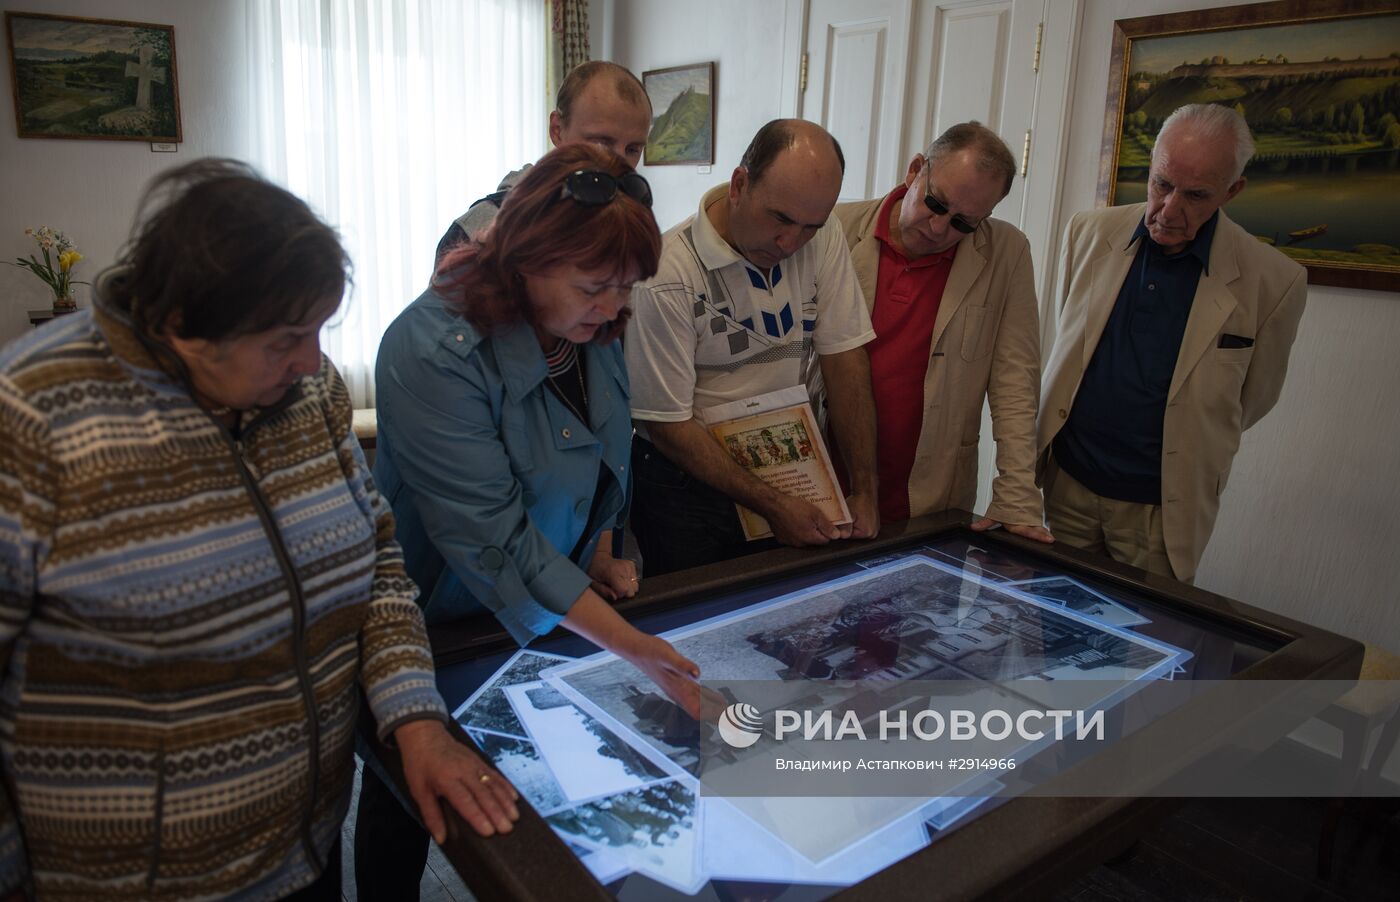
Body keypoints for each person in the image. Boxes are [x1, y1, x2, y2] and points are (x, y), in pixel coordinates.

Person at [0, 159, 517, 902]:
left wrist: (415, 717)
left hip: (301, 853)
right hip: (120, 882)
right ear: (181, 325)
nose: (311, 362)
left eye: (319, 331)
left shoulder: (307, 393)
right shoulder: (33, 414)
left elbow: (376, 565)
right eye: (285, 340)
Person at [360, 143, 706, 898]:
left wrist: (604, 546)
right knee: (405, 805)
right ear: (523, 260)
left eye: (626, 288)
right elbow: (495, 538)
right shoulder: (430, 348)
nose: (614, 307)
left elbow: (604, 448)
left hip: (550, 603)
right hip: (434, 613)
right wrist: (638, 651)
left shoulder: (591, 323)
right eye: (594, 286)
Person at [1037, 103, 1307, 582]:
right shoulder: (1088, 232)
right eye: (1161, 184)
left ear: (1232, 190)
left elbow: (1252, 400)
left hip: (1161, 511)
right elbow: (1070, 345)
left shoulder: (1275, 280)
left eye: (1196, 195)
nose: (1168, 209)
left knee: (1144, 644)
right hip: (1068, 487)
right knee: (1052, 630)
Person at [625, 119, 881, 576]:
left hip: (789, 469)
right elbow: (666, 425)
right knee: (698, 625)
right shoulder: (665, 275)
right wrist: (773, 504)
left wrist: (864, 487)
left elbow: (844, 358)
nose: (790, 243)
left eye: (809, 227)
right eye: (780, 219)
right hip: (687, 487)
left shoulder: (822, 237)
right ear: (740, 184)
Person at [832, 122, 1052, 540]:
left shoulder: (1006, 252)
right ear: (915, 170)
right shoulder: (835, 229)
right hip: (829, 484)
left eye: (963, 224)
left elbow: (1015, 381)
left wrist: (1017, 495)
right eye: (935, 204)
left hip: (931, 495)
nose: (938, 229)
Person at [434, 60, 652, 261]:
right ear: (557, 130)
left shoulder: (623, 226)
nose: (619, 164)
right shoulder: (477, 233)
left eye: (632, 149)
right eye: (601, 143)